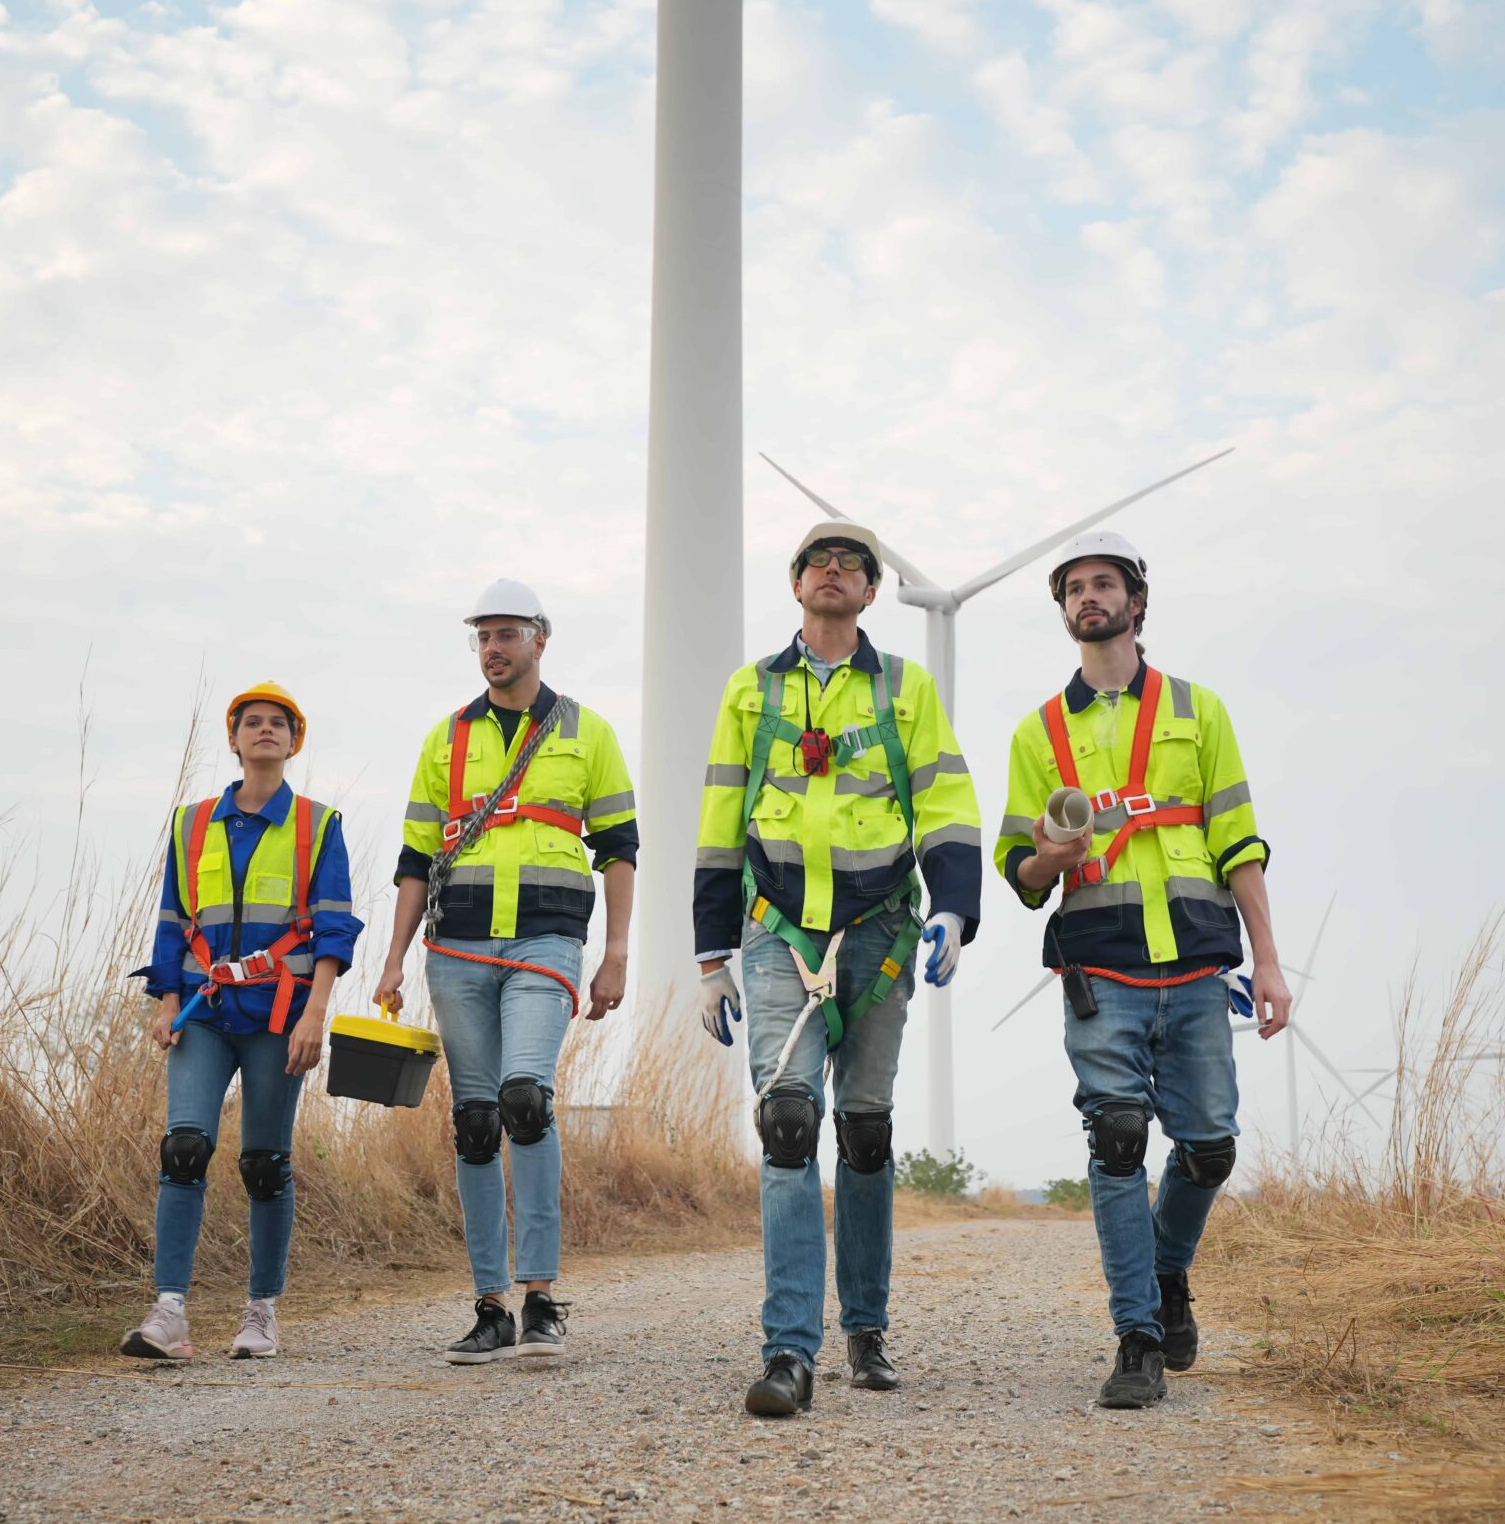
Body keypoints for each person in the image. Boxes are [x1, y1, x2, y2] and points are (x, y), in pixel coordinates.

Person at [993, 531, 1292, 1407]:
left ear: (1137, 602)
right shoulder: (1038, 732)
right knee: (1118, 1139)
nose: (1089, 597)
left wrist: (1267, 960)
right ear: (1063, 612)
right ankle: (1137, 1338)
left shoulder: (1201, 712)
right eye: (1074, 589)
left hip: (1197, 964)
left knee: (1208, 1146)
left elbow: (1238, 840)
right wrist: (1052, 854)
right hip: (1102, 967)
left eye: (1104, 584)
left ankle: (1167, 1275)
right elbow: (1019, 872)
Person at [692, 520, 983, 1417]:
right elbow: (719, 817)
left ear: (870, 591)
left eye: (853, 564)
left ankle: (867, 1327)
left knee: (863, 1130)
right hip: (780, 931)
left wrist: (953, 907)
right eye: (819, 560)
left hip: (882, 930)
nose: (834, 571)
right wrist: (711, 954)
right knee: (787, 1121)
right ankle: (789, 1351)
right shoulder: (752, 690)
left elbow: (942, 797)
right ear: (796, 585)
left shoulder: (907, 686)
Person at [376, 579, 636, 1364]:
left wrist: (615, 951)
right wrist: (391, 957)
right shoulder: (444, 739)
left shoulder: (588, 732)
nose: (494, 647)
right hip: (455, 947)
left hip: (547, 943)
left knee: (527, 1099)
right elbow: (416, 859)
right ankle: (489, 1305)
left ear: (540, 640)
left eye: (508, 634)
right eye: (483, 635)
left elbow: (619, 846)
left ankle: (542, 1298)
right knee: (476, 1119)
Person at [123, 681, 362, 1361]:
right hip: (202, 1009)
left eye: (277, 724)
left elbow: (334, 929)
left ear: (294, 741)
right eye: (250, 722)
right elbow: (172, 919)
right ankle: (169, 1312)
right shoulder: (190, 822)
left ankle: (261, 1313)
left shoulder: (320, 824)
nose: (264, 731)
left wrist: (316, 1013)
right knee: (184, 1147)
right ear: (233, 739)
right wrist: (168, 1001)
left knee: (263, 1162)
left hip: (277, 1015)